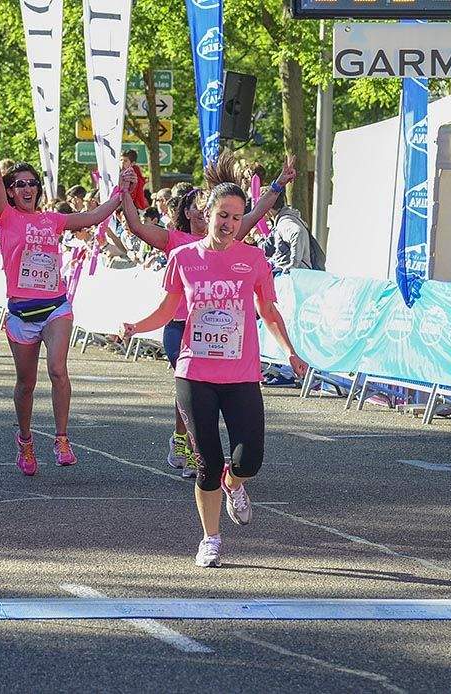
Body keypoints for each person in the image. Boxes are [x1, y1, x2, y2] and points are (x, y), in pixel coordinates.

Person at [121, 171, 308, 569]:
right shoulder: (183, 258)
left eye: (237, 218)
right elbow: (169, 310)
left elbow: (268, 310)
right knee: (206, 460)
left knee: (249, 459)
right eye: (223, 214)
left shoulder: (254, 259)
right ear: (207, 213)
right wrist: (137, 326)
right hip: (195, 373)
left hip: (240, 374)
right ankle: (211, 537)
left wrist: (290, 351)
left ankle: (233, 483)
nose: (229, 224)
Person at [120, 152, 296, 478]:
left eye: (232, 217)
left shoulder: (234, 241)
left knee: (224, 412)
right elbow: (135, 225)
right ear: (195, 212)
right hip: (179, 328)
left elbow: (255, 211)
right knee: (190, 387)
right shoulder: (177, 244)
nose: (225, 221)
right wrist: (125, 193)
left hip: (226, 341)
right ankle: (191, 444)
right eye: (216, 214)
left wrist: (277, 184)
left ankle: (196, 447)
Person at [0, 107, 125, 475]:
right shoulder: (7, 217)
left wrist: (122, 191)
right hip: (21, 313)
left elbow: (93, 216)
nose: (27, 189)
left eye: (32, 184)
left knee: (58, 370)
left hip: (56, 307)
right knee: (26, 384)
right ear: (11, 193)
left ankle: (61, 438)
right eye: (20, 185)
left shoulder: (53, 220)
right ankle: (25, 441)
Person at [264, 190, 312, 274]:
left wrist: (293, 265)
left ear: (267, 208)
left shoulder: (285, 222)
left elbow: (297, 232)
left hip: (291, 278)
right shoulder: (284, 219)